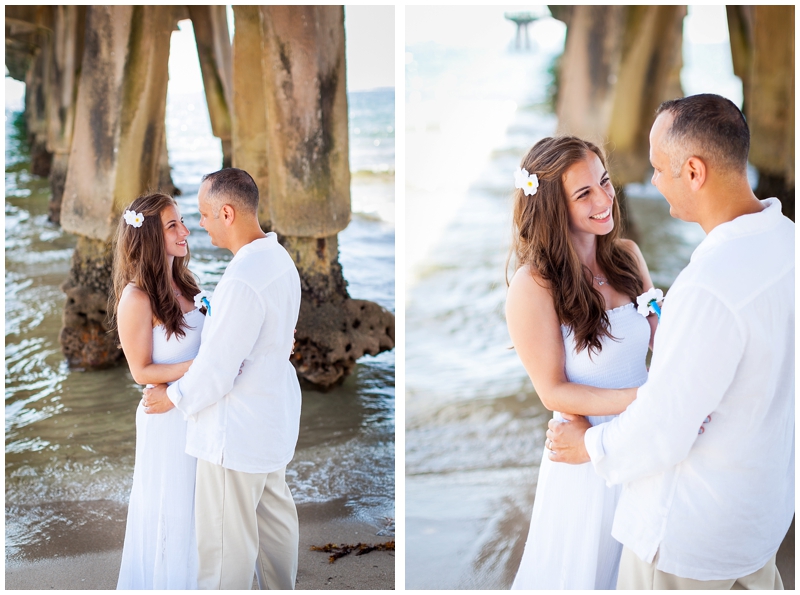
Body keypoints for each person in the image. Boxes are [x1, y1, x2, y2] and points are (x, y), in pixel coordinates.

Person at [547, 93, 794, 589]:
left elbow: (665, 425)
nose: (652, 181)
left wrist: (589, 445)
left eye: (660, 168)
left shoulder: (708, 286)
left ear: (695, 172)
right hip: (762, 514)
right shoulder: (787, 241)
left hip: (691, 534)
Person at [505, 136, 658, 589]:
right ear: (553, 207)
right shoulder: (533, 287)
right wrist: (648, 399)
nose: (605, 198)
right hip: (585, 457)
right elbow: (552, 391)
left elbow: (661, 340)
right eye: (584, 193)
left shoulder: (627, 257)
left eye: (605, 182)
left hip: (642, 442)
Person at [142, 168, 302, 590]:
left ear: (227, 213)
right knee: (274, 526)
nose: (200, 225)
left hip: (237, 431)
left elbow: (217, 370)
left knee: (223, 551)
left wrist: (172, 398)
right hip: (272, 421)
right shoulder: (279, 259)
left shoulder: (243, 279)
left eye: (205, 215)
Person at [113, 193, 204, 589]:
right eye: (173, 225)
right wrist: (206, 366)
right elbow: (141, 370)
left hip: (198, 407)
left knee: (203, 508)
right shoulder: (136, 299)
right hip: (166, 418)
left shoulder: (187, 283)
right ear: (150, 236)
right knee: (173, 508)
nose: (185, 231)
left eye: (182, 221)